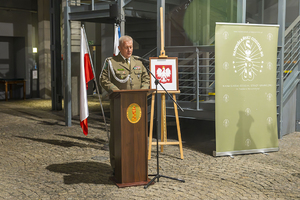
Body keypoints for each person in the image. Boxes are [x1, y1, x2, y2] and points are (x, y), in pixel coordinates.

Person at [99, 35, 150, 174]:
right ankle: (117, 165)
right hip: (119, 105)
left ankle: (137, 164)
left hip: (137, 105)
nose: (129, 50)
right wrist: (115, 91)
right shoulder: (111, 62)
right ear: (119, 48)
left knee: (137, 135)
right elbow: (103, 79)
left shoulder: (137, 62)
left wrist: (143, 90)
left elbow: (146, 78)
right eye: (126, 47)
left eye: (131, 47)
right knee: (118, 135)